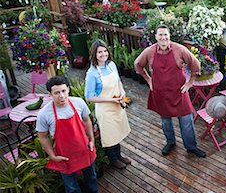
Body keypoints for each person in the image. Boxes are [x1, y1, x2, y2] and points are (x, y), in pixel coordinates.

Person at [37, 76, 109, 193]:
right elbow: (43, 137)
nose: (61, 96)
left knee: (91, 175)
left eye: (63, 91)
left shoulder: (78, 102)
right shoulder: (44, 114)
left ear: (68, 89)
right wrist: (52, 156)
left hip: (84, 149)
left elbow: (87, 120)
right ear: (50, 94)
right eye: (56, 93)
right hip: (64, 155)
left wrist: (92, 140)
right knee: (70, 184)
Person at [134, 24, 206, 158]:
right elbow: (137, 64)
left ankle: (191, 147)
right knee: (166, 121)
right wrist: (149, 80)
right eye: (160, 35)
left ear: (169, 36)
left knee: (187, 121)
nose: (163, 38)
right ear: (156, 37)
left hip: (179, 92)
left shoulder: (179, 49)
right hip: (160, 93)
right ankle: (170, 142)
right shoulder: (149, 52)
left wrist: (190, 83)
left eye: (165, 35)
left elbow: (195, 63)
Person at [85, 39, 131, 169]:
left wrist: (122, 92)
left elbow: (118, 82)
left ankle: (119, 156)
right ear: (94, 54)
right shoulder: (92, 73)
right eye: (100, 52)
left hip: (117, 104)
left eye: (105, 51)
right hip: (105, 108)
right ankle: (113, 159)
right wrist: (110, 100)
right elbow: (89, 97)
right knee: (110, 135)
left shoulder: (111, 65)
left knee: (117, 131)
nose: (103, 54)